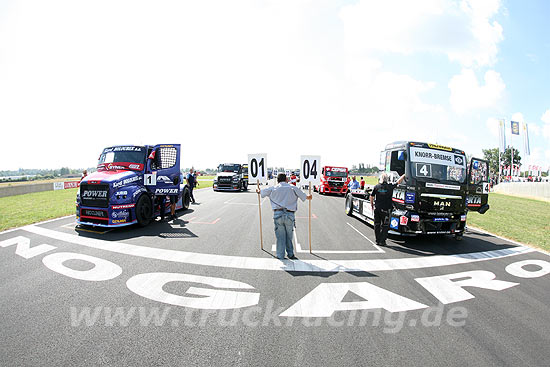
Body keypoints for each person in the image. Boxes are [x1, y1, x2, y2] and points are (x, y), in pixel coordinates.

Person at [257, 173, 312, 260]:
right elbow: (305, 197)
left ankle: (280, 255)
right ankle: (290, 254)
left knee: (280, 237)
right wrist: (309, 196)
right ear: (286, 179)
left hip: (278, 214)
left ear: (278, 180)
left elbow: (260, 192)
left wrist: (258, 190)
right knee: (289, 236)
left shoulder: (273, 188)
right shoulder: (293, 188)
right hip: (290, 214)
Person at [369, 172, 406, 246]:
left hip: (377, 209)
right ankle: (382, 241)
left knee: (377, 224)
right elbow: (398, 182)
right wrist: (404, 175)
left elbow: (371, 196)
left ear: (381, 179)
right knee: (385, 226)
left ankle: (377, 240)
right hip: (386, 210)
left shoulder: (376, 187)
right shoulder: (390, 186)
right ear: (387, 179)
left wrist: (372, 205)